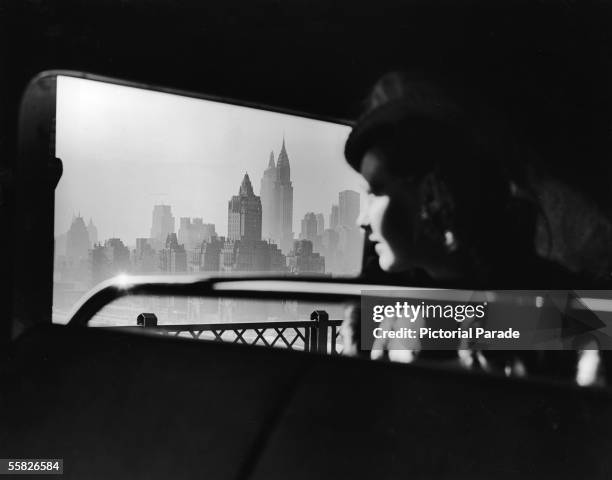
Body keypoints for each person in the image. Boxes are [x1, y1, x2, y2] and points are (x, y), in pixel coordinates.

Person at [341, 71, 612, 384]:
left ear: (433, 194)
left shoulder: (566, 304)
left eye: (375, 191)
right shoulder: (373, 307)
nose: (362, 219)